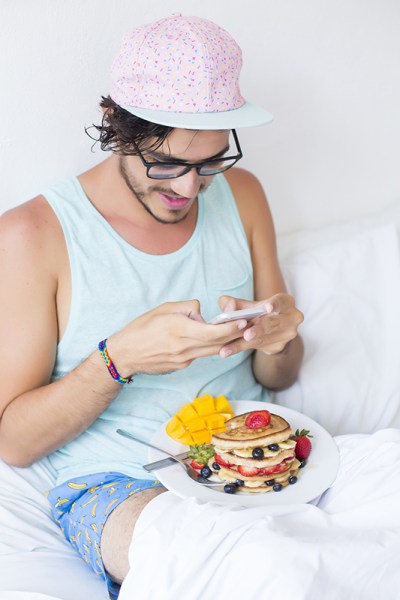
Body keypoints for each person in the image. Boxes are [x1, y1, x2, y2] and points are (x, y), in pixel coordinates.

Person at [0, 13, 303, 599]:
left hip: (258, 457)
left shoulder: (244, 195)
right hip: (115, 484)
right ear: (116, 126)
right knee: (239, 572)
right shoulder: (33, 235)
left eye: (209, 163)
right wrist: (117, 359)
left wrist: (279, 336)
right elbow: (13, 440)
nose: (189, 190)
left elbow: (280, 374)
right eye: (166, 163)